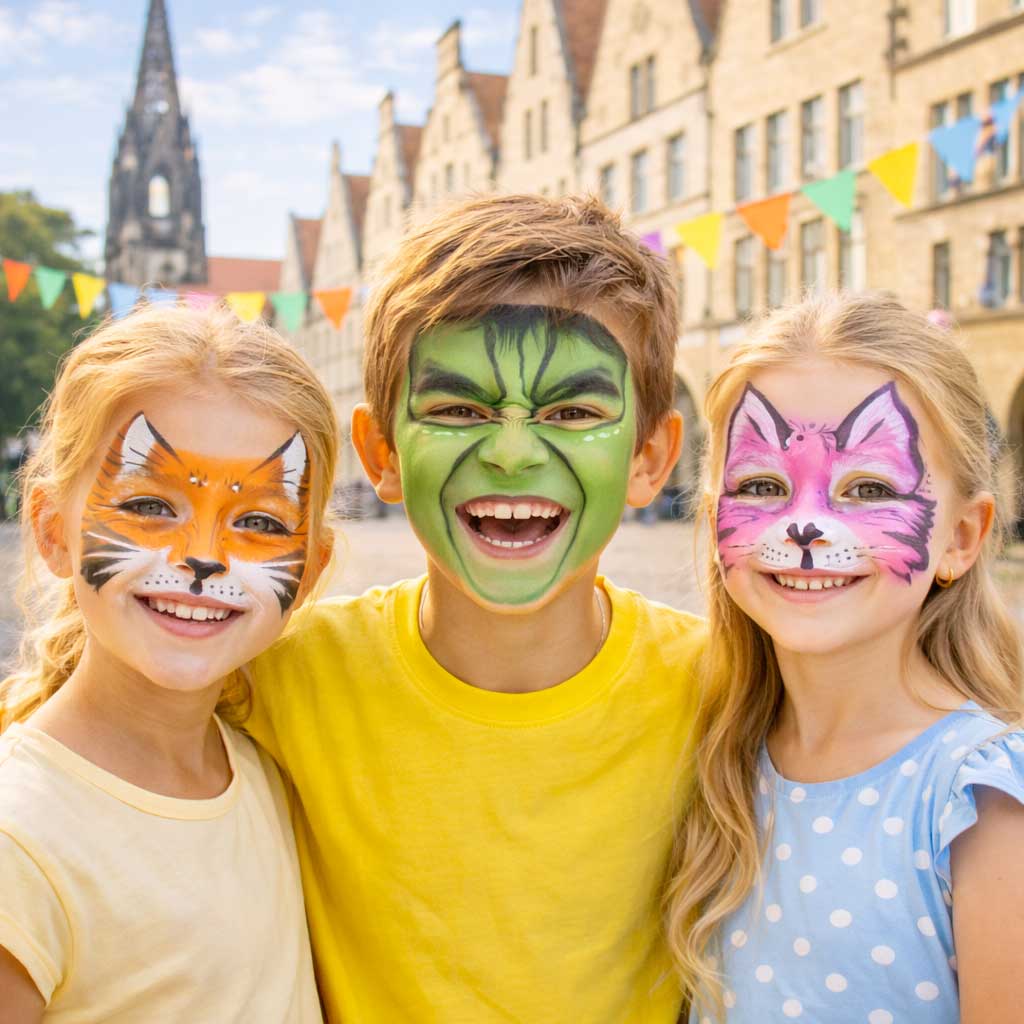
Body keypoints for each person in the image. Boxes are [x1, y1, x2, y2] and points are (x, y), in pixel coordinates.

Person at [243, 193, 707, 1022]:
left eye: (572, 412)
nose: (513, 452)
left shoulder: (721, 690)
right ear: (381, 454)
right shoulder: (279, 677)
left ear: (650, 459)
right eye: (458, 410)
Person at [666, 292, 1024, 1023]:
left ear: (960, 537)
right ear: (714, 516)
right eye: (762, 485)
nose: (805, 525)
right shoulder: (720, 753)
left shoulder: (981, 804)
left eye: (868, 489)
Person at [0, 305, 338, 1021]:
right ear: (53, 532)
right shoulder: (16, 840)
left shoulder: (266, 769)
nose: (203, 555)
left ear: (310, 569)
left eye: (259, 523)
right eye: (151, 505)